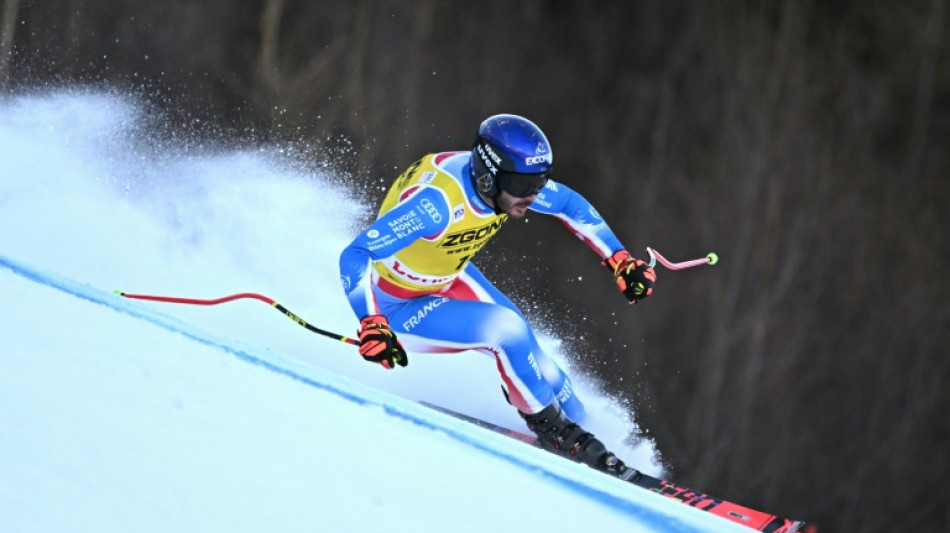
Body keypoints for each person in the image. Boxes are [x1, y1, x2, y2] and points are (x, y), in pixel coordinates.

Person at [338, 114, 656, 478]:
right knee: (506, 331)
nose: (532, 195)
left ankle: (593, 437)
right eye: (524, 185)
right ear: (489, 176)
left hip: (448, 277)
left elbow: (569, 204)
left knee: (543, 365)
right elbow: (355, 254)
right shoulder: (436, 206)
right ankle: (554, 432)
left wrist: (619, 259)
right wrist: (371, 322)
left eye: (539, 182)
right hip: (397, 306)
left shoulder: (508, 184)